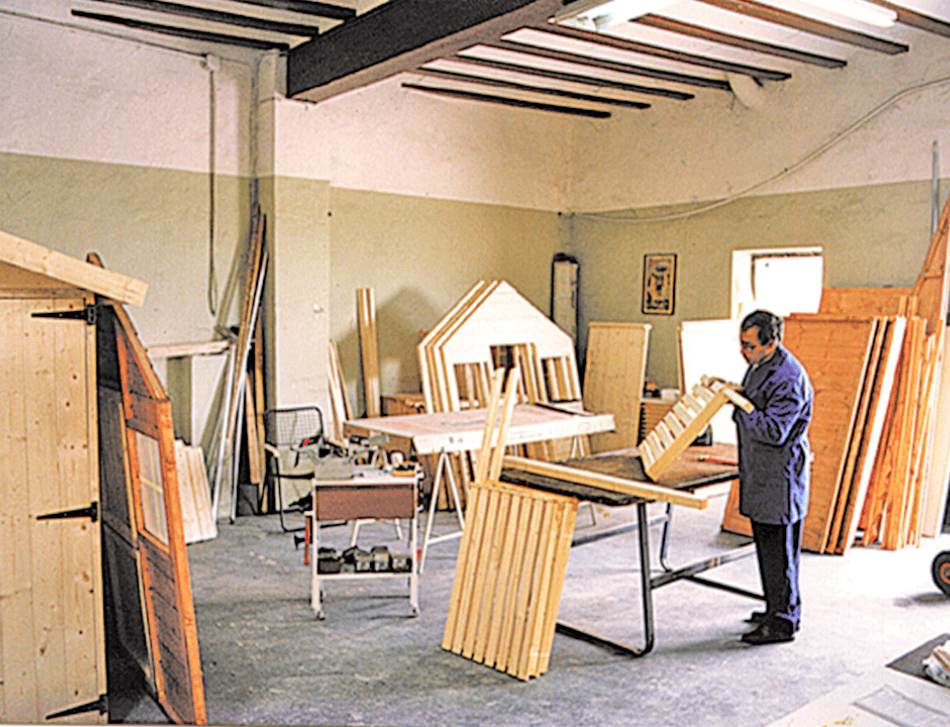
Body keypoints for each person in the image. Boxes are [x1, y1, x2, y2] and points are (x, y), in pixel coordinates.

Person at [732, 309, 813, 645]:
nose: (743, 351)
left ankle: (782, 623)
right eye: (741, 343)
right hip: (762, 472)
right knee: (769, 550)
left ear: (771, 343)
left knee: (780, 553)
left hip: (780, 477)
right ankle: (775, 607)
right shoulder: (760, 365)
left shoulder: (787, 377)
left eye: (749, 345)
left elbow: (775, 429)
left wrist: (744, 409)